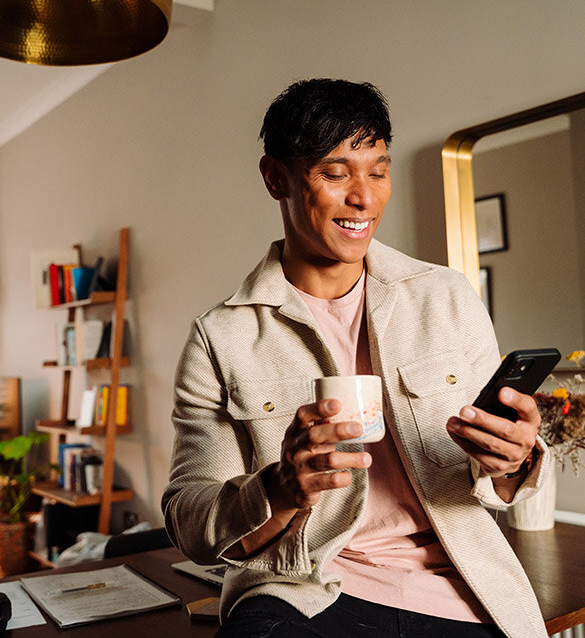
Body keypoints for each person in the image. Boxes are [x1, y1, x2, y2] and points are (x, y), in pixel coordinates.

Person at [161, 79, 553, 637]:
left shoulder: (445, 296)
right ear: (277, 179)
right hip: (301, 590)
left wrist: (514, 459)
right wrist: (276, 487)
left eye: (378, 170)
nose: (364, 197)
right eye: (335, 172)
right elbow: (189, 520)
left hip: (458, 585)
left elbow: (496, 482)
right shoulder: (220, 337)